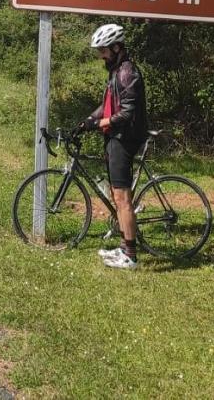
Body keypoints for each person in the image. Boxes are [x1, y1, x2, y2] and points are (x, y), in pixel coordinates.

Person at [81, 22, 148, 269]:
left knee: (122, 198)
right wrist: (89, 119)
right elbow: (108, 104)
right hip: (115, 138)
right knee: (117, 195)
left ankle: (130, 255)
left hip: (124, 138)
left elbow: (126, 113)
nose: (101, 55)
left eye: (103, 50)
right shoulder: (116, 71)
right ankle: (123, 248)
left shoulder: (127, 73)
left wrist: (100, 123)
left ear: (117, 47)